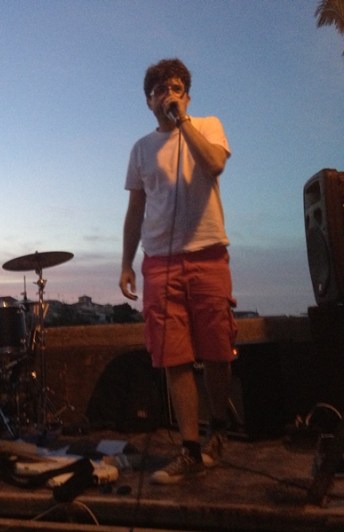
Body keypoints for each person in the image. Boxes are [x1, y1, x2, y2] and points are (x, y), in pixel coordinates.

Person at [119, 58, 237, 484]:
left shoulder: (207, 126)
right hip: (160, 263)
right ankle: (189, 448)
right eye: (159, 90)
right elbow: (135, 210)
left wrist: (183, 122)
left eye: (175, 87)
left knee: (218, 351)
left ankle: (218, 430)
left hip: (207, 254)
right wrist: (126, 263)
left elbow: (215, 164)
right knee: (175, 357)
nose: (167, 94)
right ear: (148, 101)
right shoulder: (141, 149)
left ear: (186, 94)